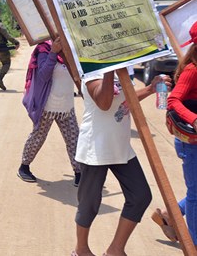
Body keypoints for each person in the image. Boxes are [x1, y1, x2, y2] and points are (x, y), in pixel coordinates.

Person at [72, 69, 171, 256]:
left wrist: (150, 89)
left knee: (140, 196)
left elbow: (126, 101)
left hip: (120, 147)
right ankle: (81, 250)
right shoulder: (92, 73)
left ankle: (115, 250)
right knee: (89, 202)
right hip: (96, 148)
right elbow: (104, 103)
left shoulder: (123, 72)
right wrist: (110, 69)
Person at [152, 21, 197, 245]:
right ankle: (194, 243)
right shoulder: (192, 70)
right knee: (196, 194)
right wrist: (194, 119)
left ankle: (170, 216)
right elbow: (172, 100)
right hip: (191, 142)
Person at [19, 37, 81, 185]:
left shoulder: (71, 49)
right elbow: (43, 75)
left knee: (74, 139)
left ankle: (79, 172)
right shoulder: (44, 49)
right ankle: (24, 167)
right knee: (38, 137)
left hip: (66, 106)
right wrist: (53, 52)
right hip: (47, 106)